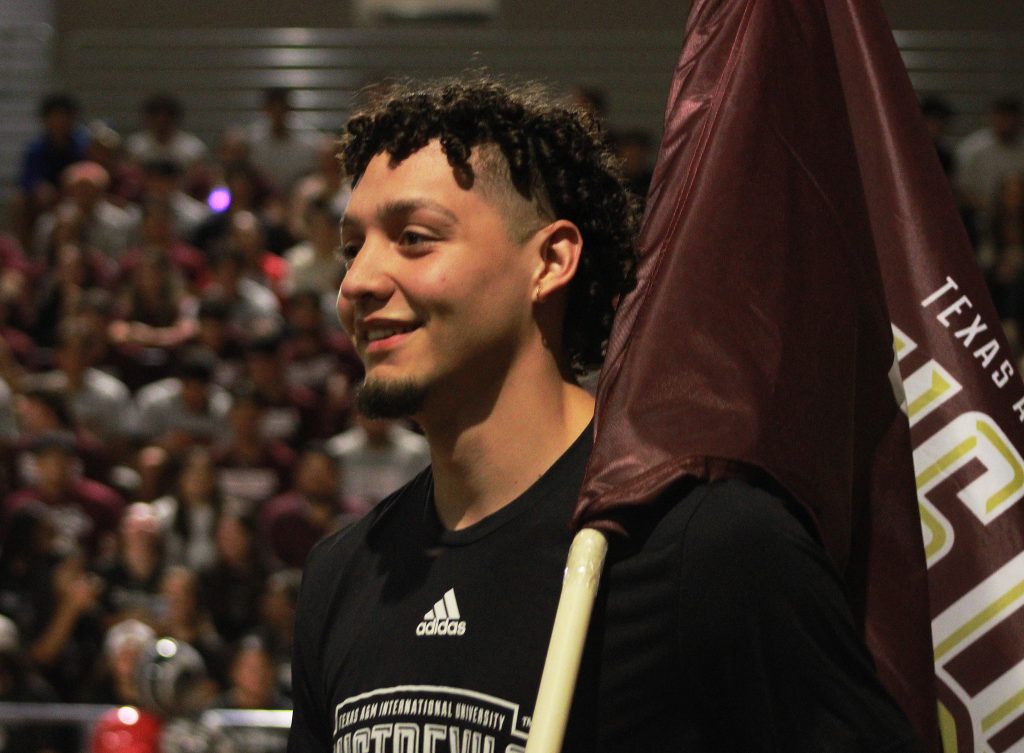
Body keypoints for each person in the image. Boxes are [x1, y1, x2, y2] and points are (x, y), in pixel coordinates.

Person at [287, 79, 923, 752]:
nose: (356, 281)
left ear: (551, 261)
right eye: (352, 247)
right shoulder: (342, 575)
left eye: (413, 238)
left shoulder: (707, 548)